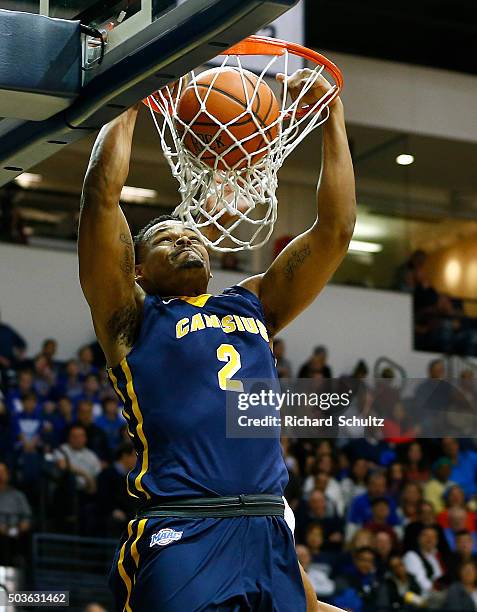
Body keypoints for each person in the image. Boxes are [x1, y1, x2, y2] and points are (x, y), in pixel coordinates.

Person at [78, 68, 355, 611]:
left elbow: (336, 231)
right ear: (138, 269)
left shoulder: (253, 301)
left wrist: (332, 118)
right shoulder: (130, 316)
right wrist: (129, 102)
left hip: (267, 525)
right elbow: (100, 199)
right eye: (166, 237)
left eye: (192, 235)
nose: (186, 240)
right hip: (183, 524)